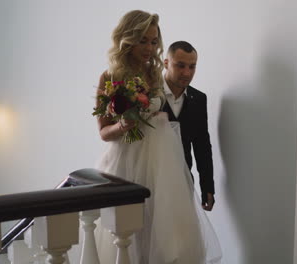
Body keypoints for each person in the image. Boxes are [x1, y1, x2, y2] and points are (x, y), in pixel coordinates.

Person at [94, 10, 222, 264]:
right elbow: (104, 133)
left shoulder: (154, 75)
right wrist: (122, 125)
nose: (150, 48)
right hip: (126, 162)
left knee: (165, 231)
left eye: (154, 41)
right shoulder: (109, 77)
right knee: (127, 230)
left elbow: (199, 141)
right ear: (128, 38)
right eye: (143, 40)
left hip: (163, 163)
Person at [163, 41, 215, 212]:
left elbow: (202, 146)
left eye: (192, 67)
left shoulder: (199, 99)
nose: (187, 73)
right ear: (166, 63)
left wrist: (207, 186)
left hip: (183, 182)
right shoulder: (146, 94)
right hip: (150, 181)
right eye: (180, 66)